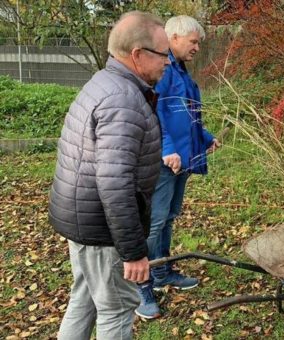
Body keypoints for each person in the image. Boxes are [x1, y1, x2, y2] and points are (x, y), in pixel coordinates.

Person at [48, 11, 169, 339]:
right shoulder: (123, 100)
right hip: (102, 232)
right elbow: (115, 184)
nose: (168, 62)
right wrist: (133, 251)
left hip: (85, 223)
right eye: (163, 54)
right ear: (138, 55)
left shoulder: (104, 82)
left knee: (84, 299)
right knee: (117, 308)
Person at [135, 15, 220, 319]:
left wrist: (205, 136)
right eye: (194, 41)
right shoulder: (164, 68)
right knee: (154, 223)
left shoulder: (180, 69)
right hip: (164, 161)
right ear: (173, 38)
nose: (198, 47)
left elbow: (184, 113)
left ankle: (162, 272)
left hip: (181, 161)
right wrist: (168, 150)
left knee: (169, 218)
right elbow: (154, 112)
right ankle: (141, 288)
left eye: (199, 42)